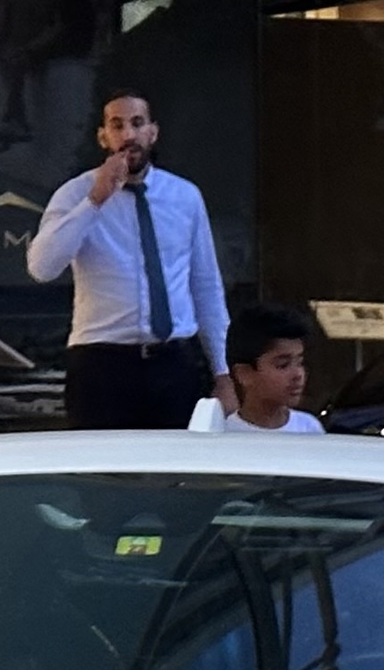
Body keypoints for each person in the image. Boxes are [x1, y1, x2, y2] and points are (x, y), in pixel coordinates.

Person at [27, 91, 232, 430]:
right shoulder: (75, 194)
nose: (128, 135)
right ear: (103, 137)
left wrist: (223, 372)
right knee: (104, 474)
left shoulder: (184, 196)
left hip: (173, 361)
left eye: (137, 123)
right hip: (102, 362)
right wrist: (95, 200)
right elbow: (41, 267)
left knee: (174, 471)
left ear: (153, 132)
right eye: (117, 125)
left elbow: (206, 287)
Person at [221, 305, 324, 435]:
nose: (298, 374)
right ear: (244, 374)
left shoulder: (309, 429)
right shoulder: (225, 434)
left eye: (300, 363)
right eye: (283, 365)